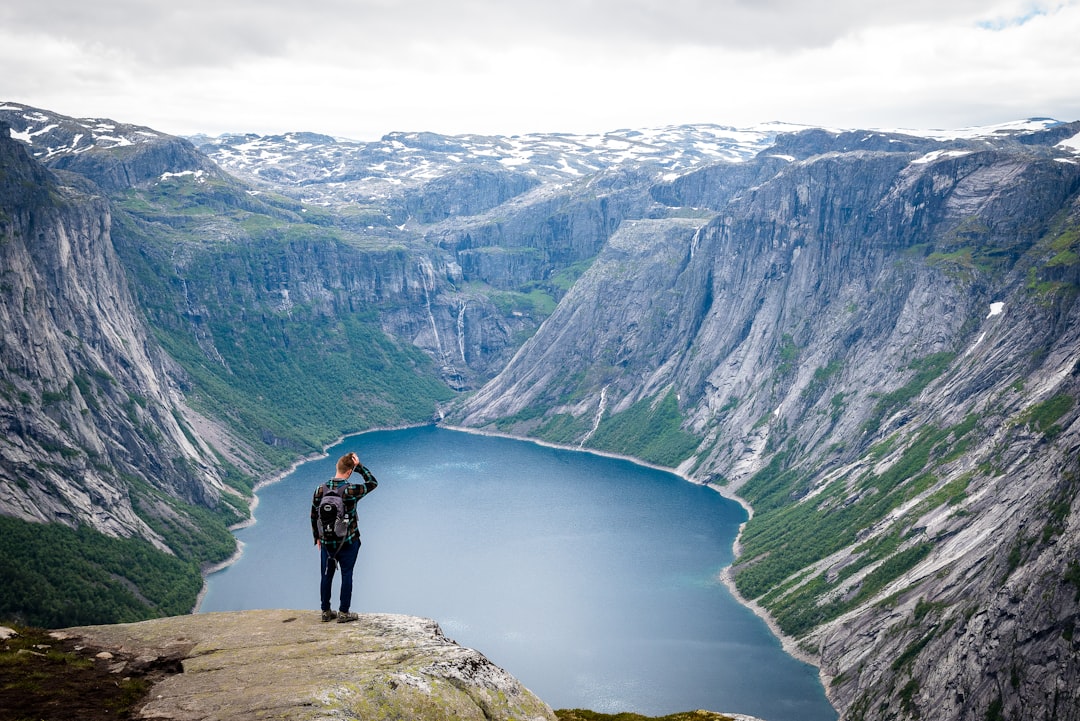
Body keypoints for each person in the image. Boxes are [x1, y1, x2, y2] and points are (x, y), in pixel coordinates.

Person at [311, 451, 378, 623]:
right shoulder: (350, 490)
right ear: (349, 471)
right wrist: (360, 467)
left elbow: (313, 514)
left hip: (326, 542)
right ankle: (343, 613)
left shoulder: (320, 489)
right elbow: (372, 483)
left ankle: (325, 611)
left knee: (326, 575)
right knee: (347, 575)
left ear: (337, 467)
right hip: (348, 541)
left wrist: (317, 537)